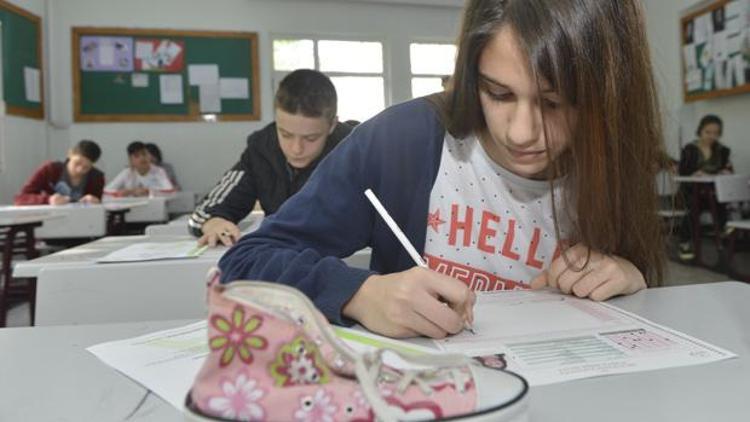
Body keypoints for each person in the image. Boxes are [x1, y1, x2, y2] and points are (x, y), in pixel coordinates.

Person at [218, 0, 665, 340]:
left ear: (608, 100)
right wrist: (357, 294)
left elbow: (646, 305)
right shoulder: (402, 141)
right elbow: (245, 259)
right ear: (472, 78)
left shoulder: (612, 154)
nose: (522, 133)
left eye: (554, 103)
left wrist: (630, 275)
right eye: (499, 94)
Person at [188, 69, 353, 246]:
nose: (296, 149)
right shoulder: (260, 150)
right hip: (281, 259)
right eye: (286, 134)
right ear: (276, 120)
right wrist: (214, 222)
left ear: (332, 125)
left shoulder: (356, 151)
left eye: (311, 138)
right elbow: (203, 212)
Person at [677, 114, 733, 260]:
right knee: (692, 208)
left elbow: (728, 169)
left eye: (715, 133)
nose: (711, 136)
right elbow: (682, 171)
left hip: (713, 192)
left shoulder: (722, 150)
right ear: (700, 130)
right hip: (691, 191)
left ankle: (724, 231)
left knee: (721, 200)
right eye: (708, 132)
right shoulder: (690, 149)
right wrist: (695, 174)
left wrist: (725, 171)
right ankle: (685, 242)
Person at [15, 140, 104, 205]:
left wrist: (95, 201)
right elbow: (20, 198)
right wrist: (48, 200)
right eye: (77, 163)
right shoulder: (50, 169)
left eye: (86, 167)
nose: (79, 170)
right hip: (50, 218)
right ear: (70, 154)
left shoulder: (97, 177)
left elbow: (97, 205)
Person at [104, 141, 175, 197]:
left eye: (144, 154)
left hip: (155, 210)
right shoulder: (127, 172)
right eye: (137, 156)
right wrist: (126, 192)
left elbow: (170, 191)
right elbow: (106, 191)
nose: (142, 158)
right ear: (131, 160)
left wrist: (147, 191)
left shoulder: (158, 171)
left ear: (149, 156)